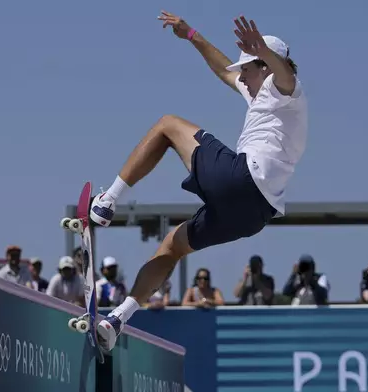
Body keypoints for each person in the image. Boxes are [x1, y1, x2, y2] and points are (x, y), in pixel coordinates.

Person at [94, 12, 308, 351]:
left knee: (167, 124)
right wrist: (191, 34)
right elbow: (225, 69)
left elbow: (285, 72)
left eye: (248, 71)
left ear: (264, 66)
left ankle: (108, 200)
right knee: (172, 245)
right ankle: (118, 318)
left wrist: (265, 54)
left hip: (241, 180)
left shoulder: (286, 91)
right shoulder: (261, 95)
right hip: (254, 217)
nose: (243, 79)